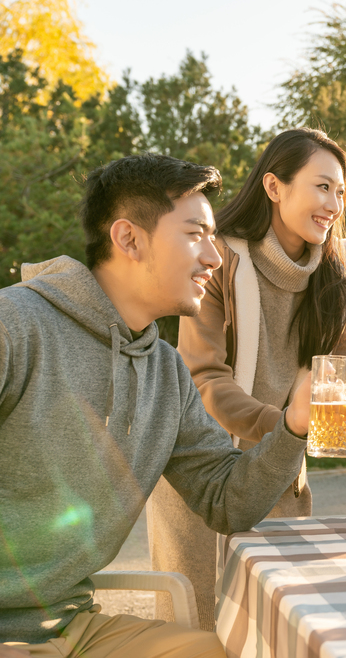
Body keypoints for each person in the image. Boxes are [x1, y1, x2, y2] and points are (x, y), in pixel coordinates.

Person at [0, 154, 312, 657]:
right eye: (195, 234)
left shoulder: (166, 371)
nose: (214, 257)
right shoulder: (15, 326)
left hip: (74, 628)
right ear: (128, 239)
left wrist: (295, 427)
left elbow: (229, 500)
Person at [146, 128, 346, 631]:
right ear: (273, 186)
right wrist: (287, 426)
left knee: (275, 624)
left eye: (341, 191)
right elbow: (204, 376)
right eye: (322, 186)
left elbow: (341, 371)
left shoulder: (341, 269)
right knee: (197, 631)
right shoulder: (216, 257)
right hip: (203, 469)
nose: (334, 203)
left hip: (280, 471)